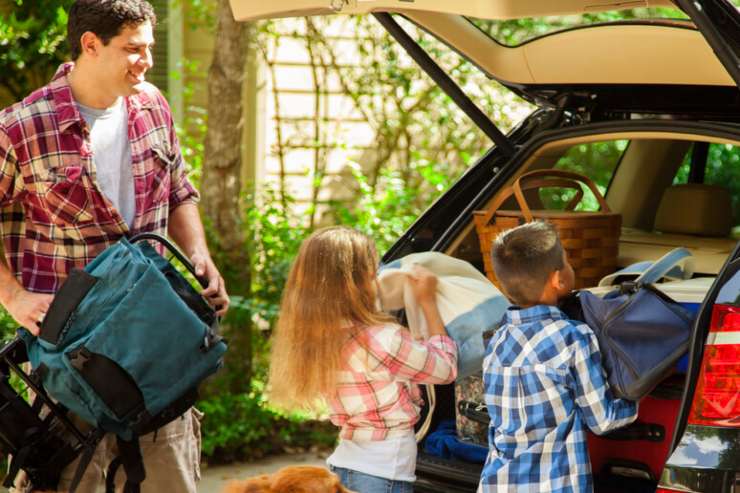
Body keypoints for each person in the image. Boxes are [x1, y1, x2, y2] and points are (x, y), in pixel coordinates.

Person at [0, 1, 229, 491]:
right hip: (70, 361)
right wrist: (12, 296)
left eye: (149, 47)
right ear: (90, 45)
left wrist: (200, 256)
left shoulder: (152, 107)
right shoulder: (21, 127)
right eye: (132, 49)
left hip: (157, 346)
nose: (145, 60)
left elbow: (179, 191)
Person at [268, 226, 458, 493]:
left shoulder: (315, 337)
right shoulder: (383, 340)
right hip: (383, 475)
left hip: (346, 466)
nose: (378, 276)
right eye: (373, 270)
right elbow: (446, 369)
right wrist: (427, 303)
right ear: (356, 282)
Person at [478, 221, 637, 493]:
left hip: (497, 484)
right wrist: (636, 399)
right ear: (557, 279)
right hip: (555, 485)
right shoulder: (573, 337)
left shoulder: (496, 341)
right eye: (567, 262)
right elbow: (603, 420)